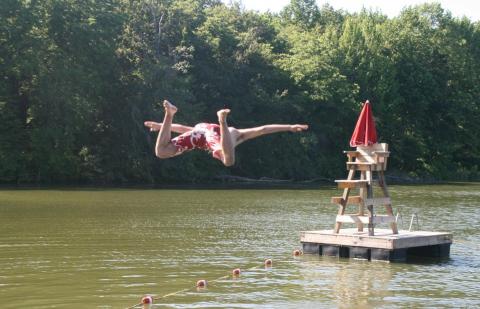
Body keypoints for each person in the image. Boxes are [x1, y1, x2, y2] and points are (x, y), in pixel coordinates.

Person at [144, 100, 308, 166]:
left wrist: (161, 125)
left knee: (161, 152)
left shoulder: (206, 128)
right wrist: (289, 127)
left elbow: (183, 129)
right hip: (211, 136)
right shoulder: (236, 133)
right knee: (228, 161)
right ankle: (222, 120)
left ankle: (169, 113)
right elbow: (263, 130)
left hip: (198, 134)